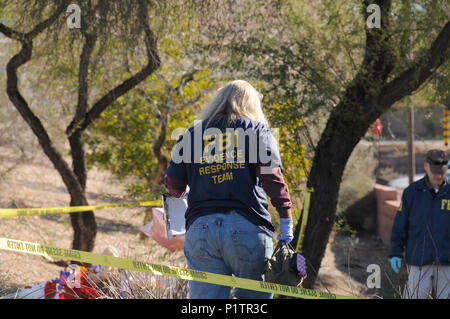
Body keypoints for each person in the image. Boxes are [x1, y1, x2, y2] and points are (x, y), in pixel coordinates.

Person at [164, 80, 293, 299]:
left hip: (201, 230)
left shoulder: (192, 134)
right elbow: (273, 179)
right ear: (251, 104)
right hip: (247, 228)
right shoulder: (257, 130)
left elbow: (174, 184)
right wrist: (286, 222)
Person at [389, 149, 450, 299]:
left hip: (447, 262)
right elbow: (400, 226)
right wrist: (395, 252)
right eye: (435, 171)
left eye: (441, 171)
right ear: (426, 167)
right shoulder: (412, 193)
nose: (438, 175)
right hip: (418, 262)